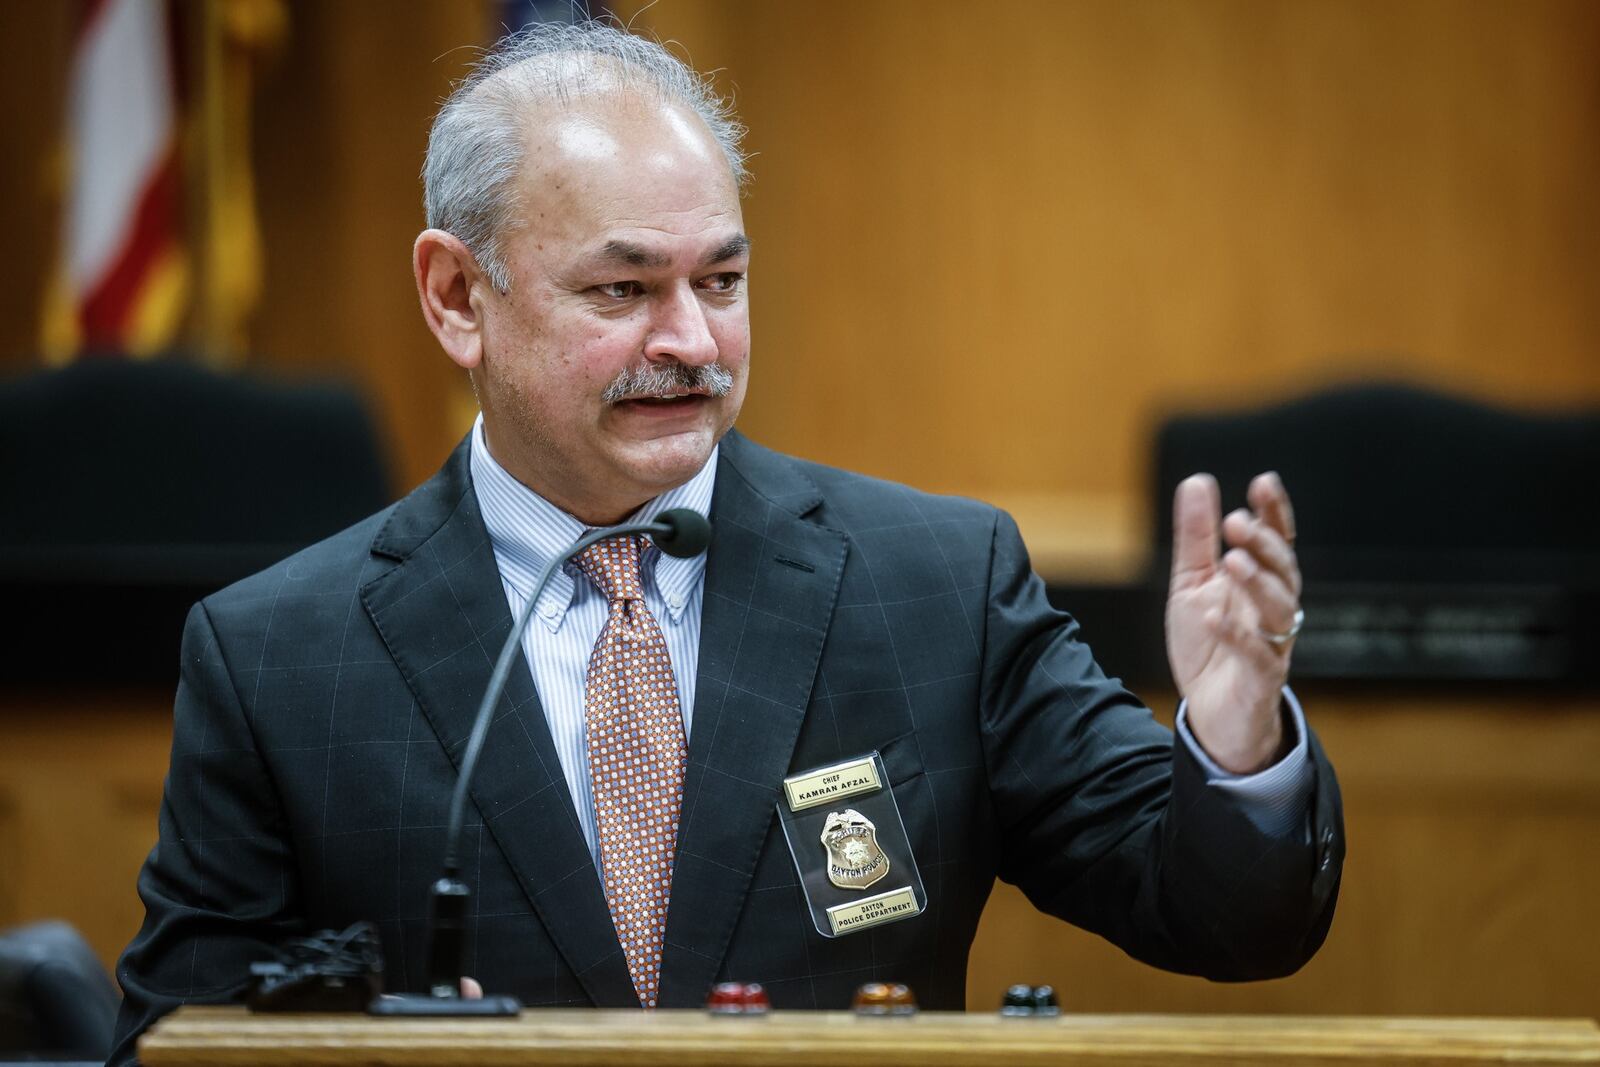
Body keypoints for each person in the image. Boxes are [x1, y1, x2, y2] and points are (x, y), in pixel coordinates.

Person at [110, 20, 1342, 1063]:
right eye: (622, 289)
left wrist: (1235, 739)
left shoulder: (932, 586)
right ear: (454, 297)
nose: (692, 340)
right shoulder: (279, 654)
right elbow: (177, 1035)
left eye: (724, 280)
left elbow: (1222, 918)